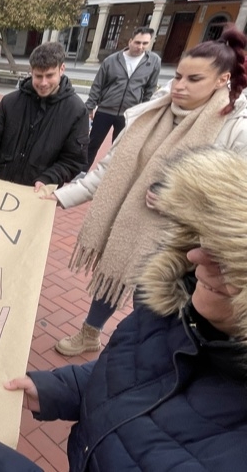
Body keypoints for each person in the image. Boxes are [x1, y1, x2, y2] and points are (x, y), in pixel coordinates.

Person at [0, 146, 247, 472]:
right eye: (202, 239)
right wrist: (55, 389)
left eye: (225, 258)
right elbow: (123, 375)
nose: (196, 257)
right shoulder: (171, 315)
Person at [50, 26, 247, 356]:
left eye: (193, 80)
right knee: (112, 271)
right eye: (179, 76)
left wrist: (182, 204)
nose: (180, 86)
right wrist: (59, 197)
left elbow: (236, 202)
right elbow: (108, 170)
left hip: (185, 240)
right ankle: (90, 333)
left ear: (222, 80)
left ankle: (142, 355)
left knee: (155, 297)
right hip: (132, 221)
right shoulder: (152, 112)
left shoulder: (234, 127)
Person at [0, 42, 88, 190]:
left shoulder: (76, 111)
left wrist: (49, 178)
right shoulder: (10, 102)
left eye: (49, 75)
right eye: (38, 76)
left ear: (62, 69)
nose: (43, 83)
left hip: (35, 196)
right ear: (31, 71)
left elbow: (73, 160)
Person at [85, 27, 161, 171]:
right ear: (130, 41)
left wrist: (143, 110)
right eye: (137, 42)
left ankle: (110, 175)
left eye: (145, 43)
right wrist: (90, 107)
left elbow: (150, 88)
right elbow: (98, 85)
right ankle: (81, 172)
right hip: (105, 111)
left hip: (129, 114)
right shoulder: (111, 60)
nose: (141, 47)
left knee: (119, 148)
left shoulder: (154, 61)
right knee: (92, 144)